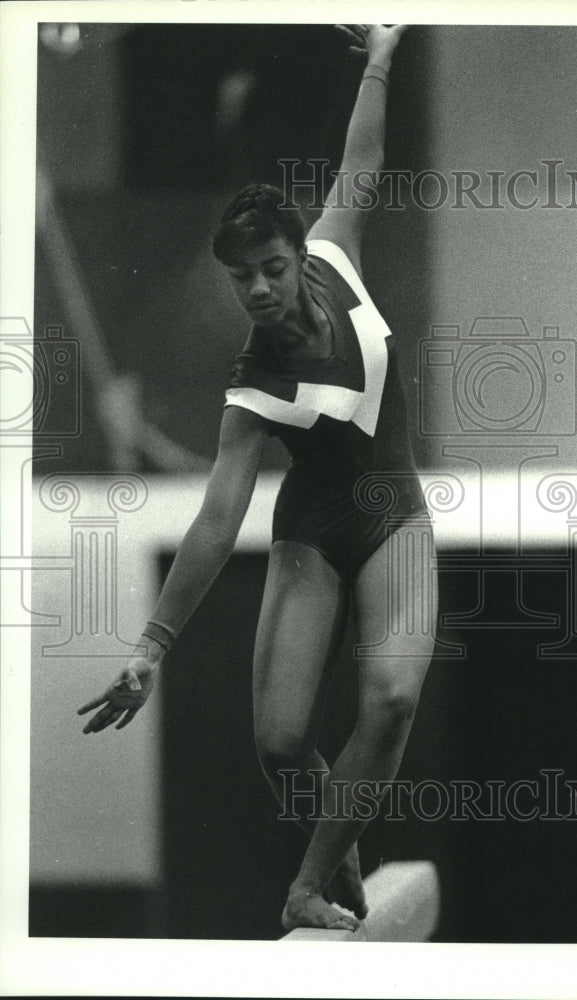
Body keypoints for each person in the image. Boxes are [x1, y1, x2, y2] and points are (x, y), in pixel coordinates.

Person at [78, 23, 437, 933]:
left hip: (394, 515)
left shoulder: (337, 255)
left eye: (272, 269)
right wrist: (151, 649)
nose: (261, 292)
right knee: (281, 742)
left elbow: (364, 153)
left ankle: (308, 884)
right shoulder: (253, 386)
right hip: (313, 530)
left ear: (298, 250)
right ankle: (341, 836)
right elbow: (210, 523)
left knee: (391, 698)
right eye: (243, 280)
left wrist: (384, 59)